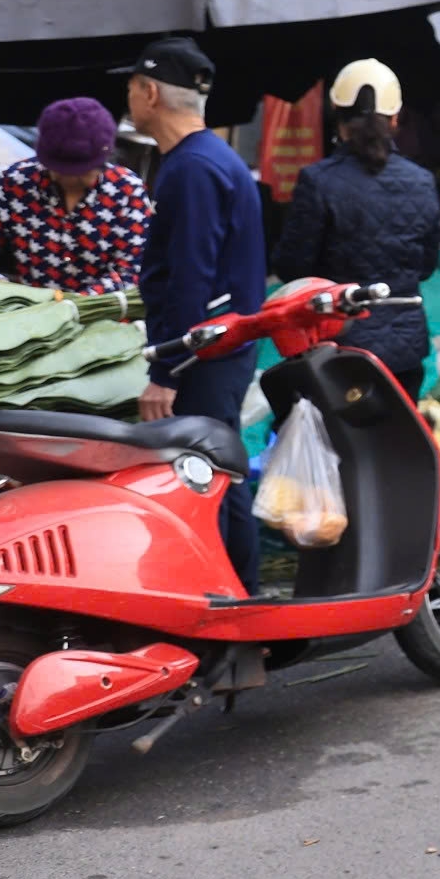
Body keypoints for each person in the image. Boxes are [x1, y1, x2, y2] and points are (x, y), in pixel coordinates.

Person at [127, 36, 267, 594]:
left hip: (206, 353)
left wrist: (167, 372)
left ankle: (234, 600)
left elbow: (192, 276)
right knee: (218, 470)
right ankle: (238, 595)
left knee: (211, 475)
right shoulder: (205, 160)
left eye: (132, 88)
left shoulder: (192, 170)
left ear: (150, 92)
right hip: (219, 347)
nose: (129, 98)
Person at [273, 59, 440, 397]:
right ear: (395, 119)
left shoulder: (317, 181)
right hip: (404, 349)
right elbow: (426, 267)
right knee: (399, 443)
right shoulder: (422, 182)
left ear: (338, 117)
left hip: (336, 345)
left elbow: (291, 267)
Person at [0, 97, 152, 294]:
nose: (71, 179)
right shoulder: (16, 182)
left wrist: (78, 304)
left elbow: (132, 269)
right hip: (30, 311)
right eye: (61, 171)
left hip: (102, 313)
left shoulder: (127, 191)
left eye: (83, 172)